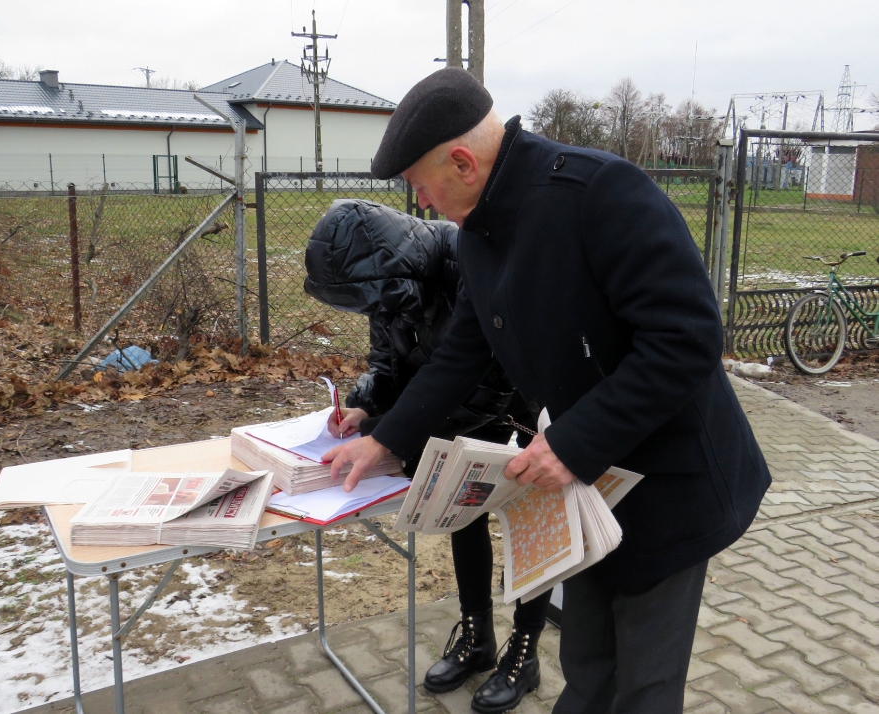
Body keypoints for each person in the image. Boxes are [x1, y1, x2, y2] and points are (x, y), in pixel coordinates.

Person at [323, 67, 772, 713]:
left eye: (419, 185)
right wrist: (384, 439)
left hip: (668, 482)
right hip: (586, 485)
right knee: (586, 665)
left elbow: (686, 339)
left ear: (462, 163)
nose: (419, 203)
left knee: (644, 687)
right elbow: (464, 353)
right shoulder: (479, 234)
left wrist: (573, 443)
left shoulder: (600, 193)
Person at [304, 198, 551, 712]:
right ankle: (477, 636)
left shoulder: (468, 264)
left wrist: (384, 434)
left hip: (526, 402)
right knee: (464, 511)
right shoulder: (386, 282)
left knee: (533, 522)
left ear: (396, 266)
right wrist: (364, 404)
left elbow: (481, 387)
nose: (377, 310)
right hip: (453, 405)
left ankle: (524, 652)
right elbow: (388, 361)